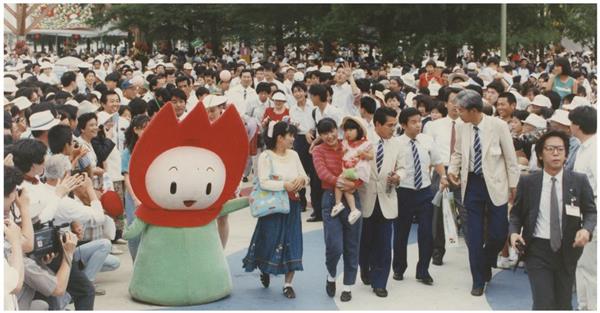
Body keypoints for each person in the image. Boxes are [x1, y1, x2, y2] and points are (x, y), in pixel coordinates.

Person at [509, 130, 596, 310]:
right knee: (543, 302)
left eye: (560, 149)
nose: (556, 153)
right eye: (550, 149)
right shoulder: (528, 182)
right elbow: (516, 214)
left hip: (568, 249)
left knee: (563, 304)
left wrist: (586, 229)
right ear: (540, 154)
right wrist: (514, 233)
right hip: (537, 250)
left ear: (566, 154)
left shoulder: (578, 180)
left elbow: (590, 212)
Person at [447, 89, 519, 296]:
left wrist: (513, 186)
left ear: (474, 110)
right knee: (474, 235)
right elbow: (458, 153)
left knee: (498, 233)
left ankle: (486, 260)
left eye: (461, 110)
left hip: (496, 184)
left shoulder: (498, 126)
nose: (458, 113)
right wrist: (453, 170)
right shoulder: (462, 127)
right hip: (472, 185)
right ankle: (477, 279)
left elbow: (510, 157)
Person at [243, 121, 308, 299]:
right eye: (290, 136)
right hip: (273, 207)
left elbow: (304, 175)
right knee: (269, 240)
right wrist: (284, 185)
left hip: (292, 205)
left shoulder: (294, 155)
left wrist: (301, 182)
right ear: (280, 137)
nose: (293, 139)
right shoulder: (266, 156)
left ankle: (288, 284)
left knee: (292, 241)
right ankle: (265, 268)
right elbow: (263, 181)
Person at [392, 107, 447, 285]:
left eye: (419, 121)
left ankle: (423, 270)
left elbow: (437, 162)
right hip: (403, 192)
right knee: (401, 233)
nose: (418, 125)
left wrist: (443, 177)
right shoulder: (396, 143)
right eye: (413, 122)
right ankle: (399, 268)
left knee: (427, 233)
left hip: (425, 191)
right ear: (403, 125)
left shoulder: (427, 141)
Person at [312, 118, 363, 302]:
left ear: (337, 130)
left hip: (352, 197)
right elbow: (321, 173)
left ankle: (348, 285)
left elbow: (361, 166)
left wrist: (355, 183)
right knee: (334, 244)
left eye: (332, 130)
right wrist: (340, 182)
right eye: (325, 133)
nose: (330, 136)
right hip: (330, 198)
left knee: (352, 243)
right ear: (320, 135)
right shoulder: (318, 151)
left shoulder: (348, 145)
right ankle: (331, 275)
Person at [358, 107, 403, 298]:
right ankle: (365, 268)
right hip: (365, 197)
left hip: (387, 197)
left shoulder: (397, 144)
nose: (393, 129)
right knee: (365, 241)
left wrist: (398, 176)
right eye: (389, 125)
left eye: (395, 125)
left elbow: (402, 167)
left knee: (384, 243)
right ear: (377, 124)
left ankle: (380, 282)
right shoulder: (364, 141)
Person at [423, 87, 465, 265]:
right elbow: (426, 151)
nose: (456, 105)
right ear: (446, 103)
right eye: (453, 101)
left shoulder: (469, 126)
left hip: (463, 173)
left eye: (460, 101)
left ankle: (476, 252)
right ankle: (438, 250)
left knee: (466, 211)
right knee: (438, 212)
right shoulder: (433, 125)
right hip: (441, 171)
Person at [568, 106, 597, 310]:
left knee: (592, 267)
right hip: (580, 211)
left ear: (577, 125)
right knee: (581, 263)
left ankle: (593, 307)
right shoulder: (583, 147)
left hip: (592, 212)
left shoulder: (595, 150)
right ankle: (584, 305)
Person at [331, 116, 373, 224]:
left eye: (350, 130)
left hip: (358, 170)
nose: (347, 133)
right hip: (349, 169)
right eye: (346, 130)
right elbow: (342, 155)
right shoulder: (345, 143)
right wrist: (343, 152)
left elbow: (371, 156)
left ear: (358, 130)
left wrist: (363, 154)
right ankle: (353, 209)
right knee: (347, 188)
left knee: (339, 181)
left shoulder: (366, 143)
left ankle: (338, 203)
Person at [122, 114, 150, 260]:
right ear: (135, 130)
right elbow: (127, 177)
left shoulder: (153, 147)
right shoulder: (128, 152)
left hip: (151, 192)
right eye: (143, 128)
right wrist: (135, 198)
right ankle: (136, 262)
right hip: (134, 194)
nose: (147, 130)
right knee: (134, 229)